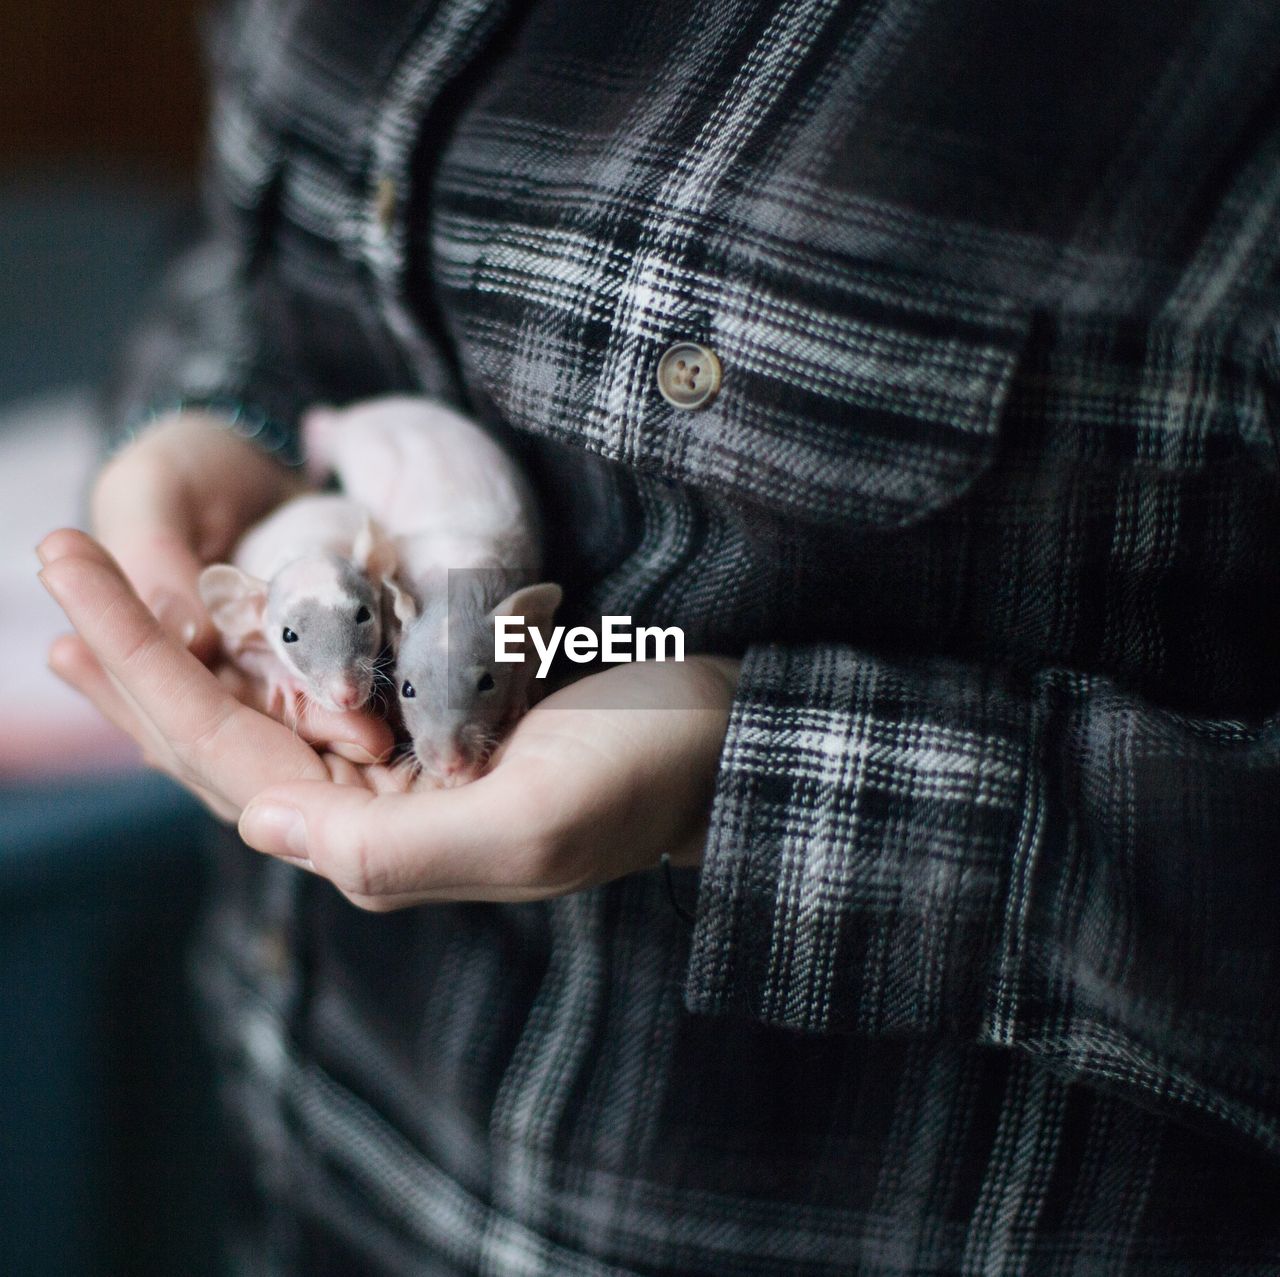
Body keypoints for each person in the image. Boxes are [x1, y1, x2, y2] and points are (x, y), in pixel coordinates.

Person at [38, 0, 1280, 1271]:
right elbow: (231, 249)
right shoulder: (368, 583)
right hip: (320, 1166)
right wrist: (206, 427)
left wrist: (736, 770)